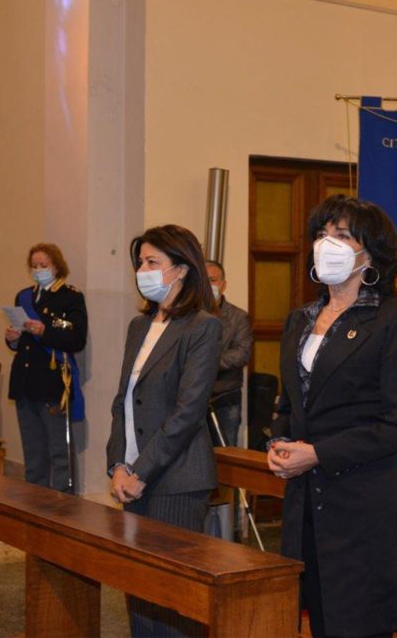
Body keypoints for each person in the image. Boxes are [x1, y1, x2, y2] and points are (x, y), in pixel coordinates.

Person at [267, 195, 397, 638]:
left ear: (370, 254)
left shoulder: (396, 319)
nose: (327, 244)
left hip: (366, 504)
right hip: (307, 504)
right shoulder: (299, 320)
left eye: (341, 235)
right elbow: (290, 404)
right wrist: (278, 443)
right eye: (321, 234)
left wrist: (318, 453)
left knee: (361, 626)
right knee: (319, 622)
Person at [106, 225, 222, 637]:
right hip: (133, 477)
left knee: (172, 601)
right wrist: (118, 465)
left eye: (152, 262)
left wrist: (141, 471)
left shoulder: (202, 326)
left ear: (182, 269)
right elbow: (122, 401)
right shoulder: (139, 326)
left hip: (176, 479)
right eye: (140, 262)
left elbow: (187, 412)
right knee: (140, 591)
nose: (143, 271)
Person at [5, 242, 87, 493]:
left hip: (53, 383)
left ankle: (64, 506)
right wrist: (12, 338)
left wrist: (45, 331)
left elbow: (77, 339)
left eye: (43, 265)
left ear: (56, 266)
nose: (38, 269)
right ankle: (35, 503)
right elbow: (21, 343)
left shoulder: (70, 297)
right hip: (25, 382)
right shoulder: (23, 296)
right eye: (34, 265)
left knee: (59, 452)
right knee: (33, 452)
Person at [205, 259, 252, 447]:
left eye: (213, 280)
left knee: (226, 453)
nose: (208, 286)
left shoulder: (238, 317)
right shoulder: (188, 317)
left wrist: (204, 362)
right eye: (204, 281)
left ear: (223, 285)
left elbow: (241, 354)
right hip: (192, 399)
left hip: (225, 398)